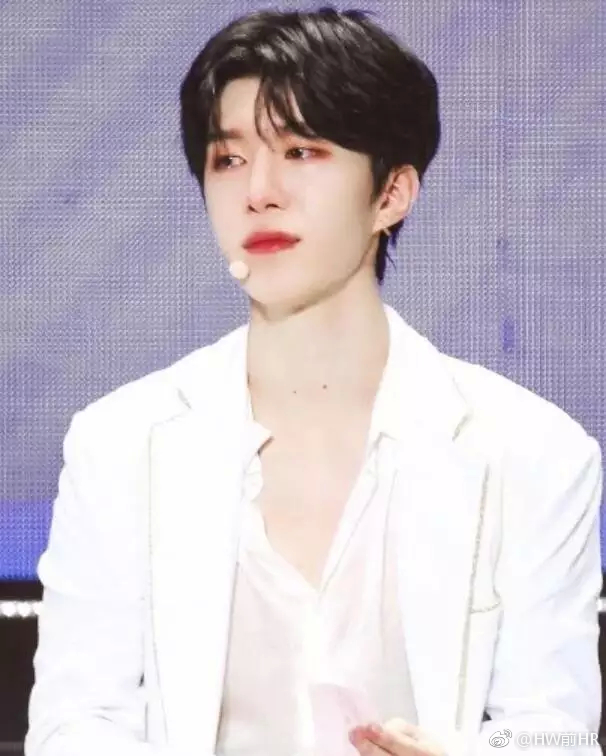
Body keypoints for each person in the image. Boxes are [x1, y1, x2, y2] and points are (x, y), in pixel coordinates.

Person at [25, 6, 603, 756]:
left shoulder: (532, 450)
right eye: (228, 159)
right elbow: (74, 725)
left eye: (301, 151)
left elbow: (555, 733)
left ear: (391, 193)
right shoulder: (121, 443)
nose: (258, 191)